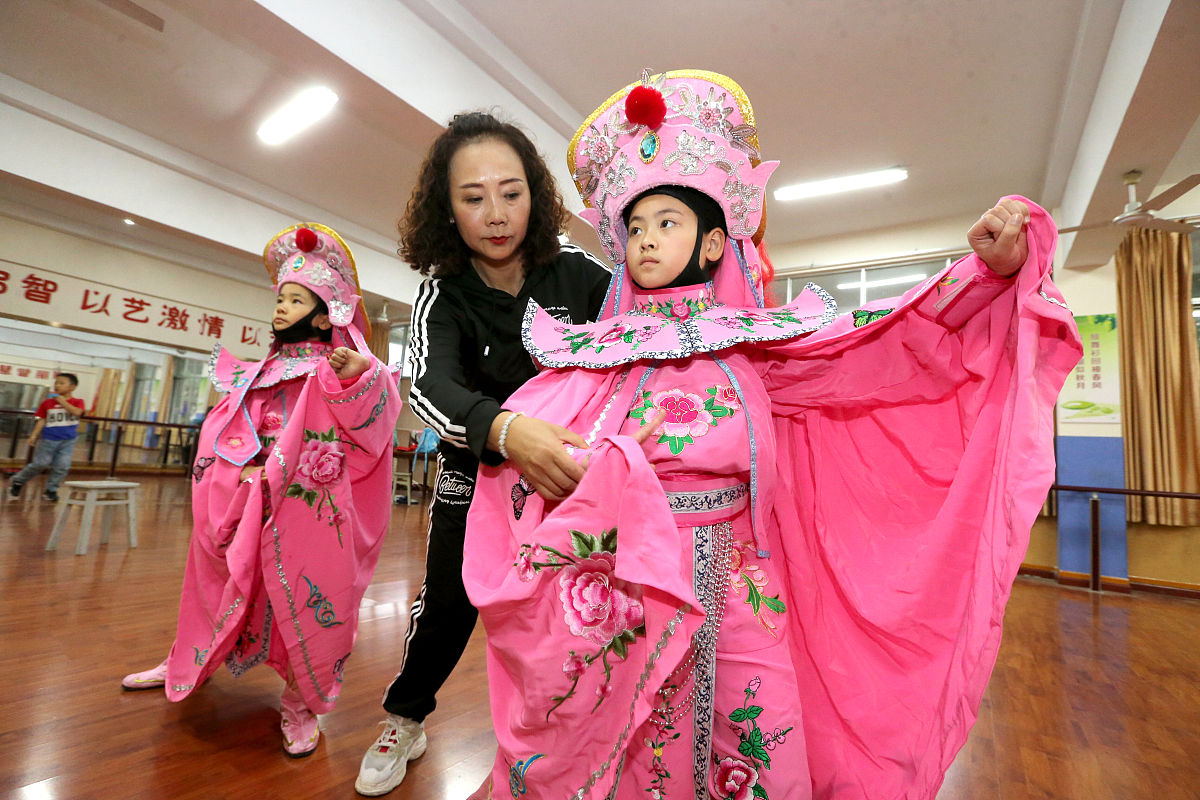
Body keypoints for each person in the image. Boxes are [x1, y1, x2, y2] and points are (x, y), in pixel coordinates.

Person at [460, 70, 1083, 799]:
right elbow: (545, 439)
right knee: (632, 746)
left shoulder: (757, 344)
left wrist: (986, 274)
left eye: (667, 223)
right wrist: (526, 441)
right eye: (634, 227)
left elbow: (888, 339)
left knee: (755, 739)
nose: (646, 241)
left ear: (716, 241)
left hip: (739, 582)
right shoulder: (596, 354)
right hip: (631, 583)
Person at [353, 111, 611, 796]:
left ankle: (564, 737)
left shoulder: (581, 275)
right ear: (448, 208)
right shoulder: (443, 294)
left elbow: (635, 346)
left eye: (511, 191)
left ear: (536, 195)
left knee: (572, 614)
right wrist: (505, 432)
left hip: (569, 483)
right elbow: (430, 389)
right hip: (475, 478)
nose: (495, 214)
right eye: (473, 197)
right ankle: (405, 718)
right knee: (446, 606)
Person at [121, 223, 401, 759]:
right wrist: (245, 468)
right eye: (280, 297)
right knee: (209, 578)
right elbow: (227, 430)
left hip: (303, 508)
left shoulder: (337, 366)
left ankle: (300, 700)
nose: (280, 307)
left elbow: (373, 421)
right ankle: (187, 659)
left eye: (295, 299)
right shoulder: (262, 370)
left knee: (299, 593)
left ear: (325, 314)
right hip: (243, 498)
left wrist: (358, 372)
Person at [7, 372, 85, 502]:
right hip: (49, 439)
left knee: (62, 466)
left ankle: (51, 490)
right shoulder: (47, 403)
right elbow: (42, 419)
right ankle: (18, 480)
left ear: (73, 387)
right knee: (40, 463)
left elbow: (77, 412)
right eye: (56, 383)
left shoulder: (78, 402)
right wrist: (34, 435)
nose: (57, 385)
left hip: (68, 440)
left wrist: (63, 402)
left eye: (61, 383)